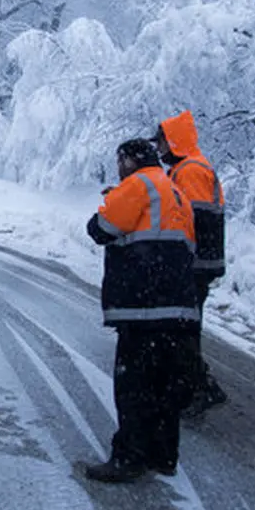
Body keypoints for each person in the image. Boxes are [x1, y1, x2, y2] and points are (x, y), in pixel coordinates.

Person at [84, 139, 199, 483]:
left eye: (120, 160)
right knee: (165, 383)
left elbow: (100, 229)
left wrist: (112, 200)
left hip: (143, 305)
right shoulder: (175, 191)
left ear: (131, 160)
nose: (118, 167)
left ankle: (128, 458)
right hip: (178, 305)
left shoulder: (138, 184)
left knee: (134, 385)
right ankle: (163, 456)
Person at [154, 110, 229, 418]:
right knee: (182, 328)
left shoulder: (191, 171)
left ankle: (199, 388)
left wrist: (175, 261)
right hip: (197, 264)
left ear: (174, 142)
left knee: (182, 330)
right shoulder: (185, 169)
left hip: (195, 265)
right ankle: (191, 386)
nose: (158, 150)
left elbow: (191, 221)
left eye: (161, 143)